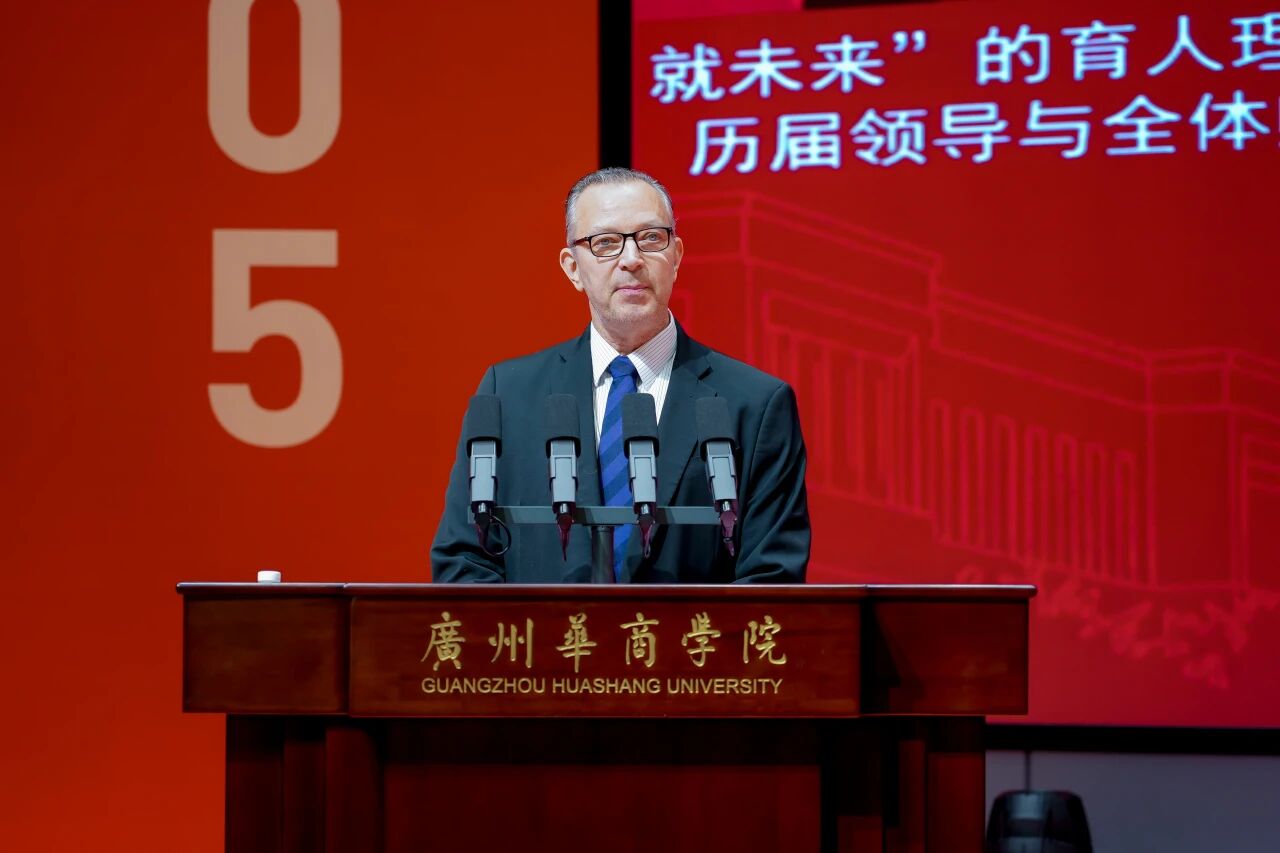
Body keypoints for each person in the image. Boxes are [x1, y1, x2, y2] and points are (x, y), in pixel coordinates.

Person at [430, 167, 809, 583]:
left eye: (651, 238)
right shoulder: (510, 395)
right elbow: (464, 561)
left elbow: (772, 577)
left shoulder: (755, 404)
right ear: (572, 268)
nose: (632, 260)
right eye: (606, 243)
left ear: (677, 256)